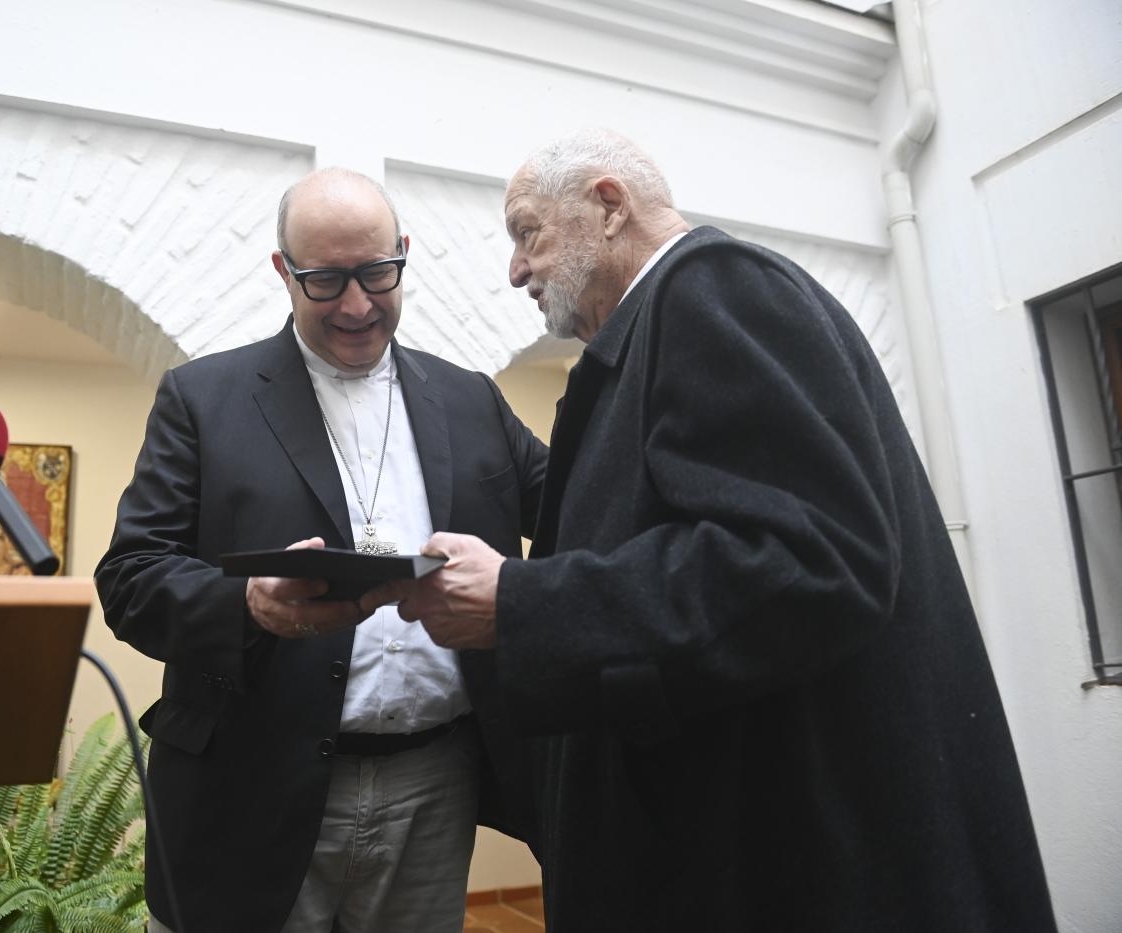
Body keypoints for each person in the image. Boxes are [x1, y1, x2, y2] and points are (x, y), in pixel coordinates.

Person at [375, 130, 1058, 931]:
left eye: (527, 231)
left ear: (607, 205)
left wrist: (519, 603)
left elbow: (809, 560)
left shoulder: (715, 287)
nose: (516, 267)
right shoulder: (661, 329)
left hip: (783, 880)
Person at [95, 168, 546, 933]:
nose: (357, 303)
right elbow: (131, 578)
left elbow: (581, 506)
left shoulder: (472, 398)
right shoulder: (202, 399)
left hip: (437, 784)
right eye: (326, 279)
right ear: (283, 270)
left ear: (403, 253)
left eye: (377, 273)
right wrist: (246, 606)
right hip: (252, 784)